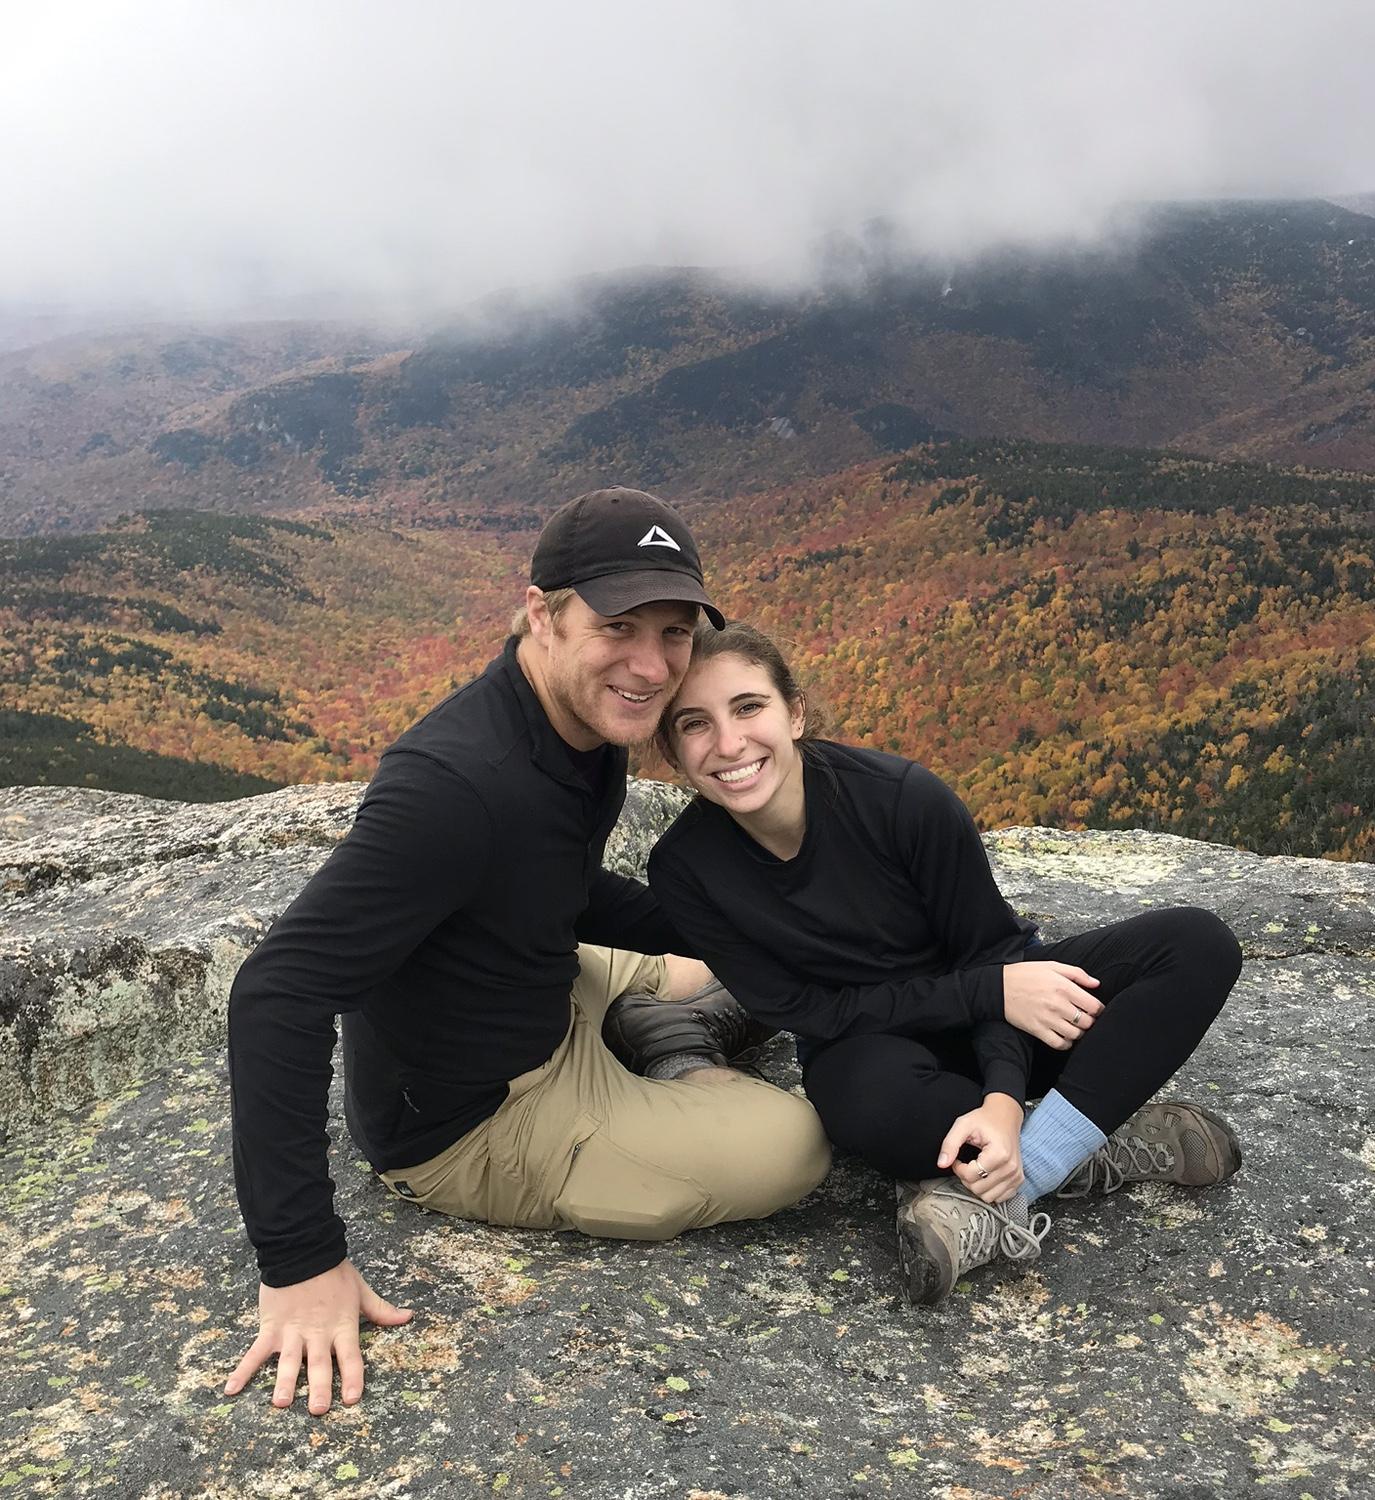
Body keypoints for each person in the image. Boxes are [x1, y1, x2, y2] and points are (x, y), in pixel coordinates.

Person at [223, 491, 830, 1414]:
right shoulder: (454, 787)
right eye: (618, 625)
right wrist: (300, 1263)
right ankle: (678, 1058)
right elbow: (277, 994)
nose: (651, 663)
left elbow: (557, 885)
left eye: (674, 632)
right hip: (479, 1117)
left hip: (539, 985)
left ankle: (658, 1030)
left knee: (725, 955)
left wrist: (743, 921)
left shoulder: (582, 725)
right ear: (542, 613)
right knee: (797, 1144)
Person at [624, 621, 1244, 1305]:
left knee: (1196, 944)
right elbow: (811, 1012)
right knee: (871, 1114)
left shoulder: (900, 800)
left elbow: (994, 955)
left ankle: (1021, 1170)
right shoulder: (686, 869)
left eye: (749, 707)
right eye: (694, 724)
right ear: (673, 751)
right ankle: (1091, 1142)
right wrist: (989, 995)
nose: (730, 743)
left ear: (794, 713)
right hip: (872, 1048)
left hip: (1007, 1015)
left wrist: (1006, 1098)